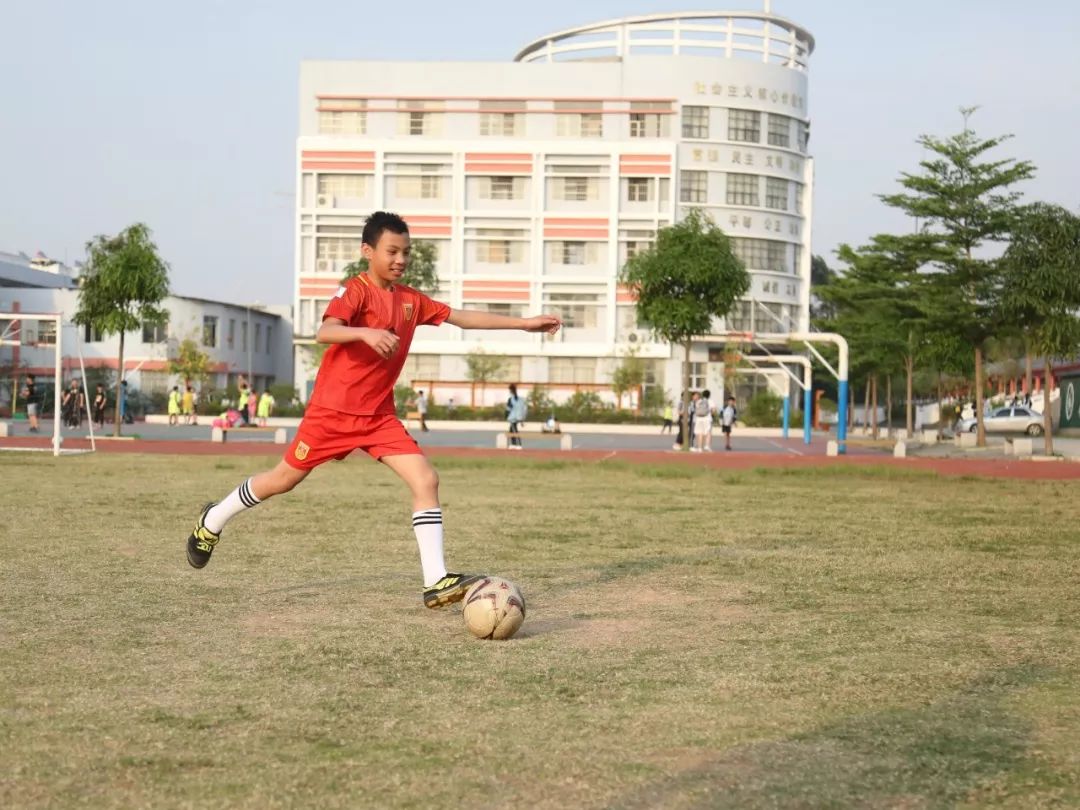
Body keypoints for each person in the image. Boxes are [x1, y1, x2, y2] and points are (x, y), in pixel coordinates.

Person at [184, 211, 561, 609]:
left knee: (426, 478)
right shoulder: (356, 291)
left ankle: (436, 580)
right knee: (282, 480)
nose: (400, 259)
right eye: (392, 251)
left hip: (379, 417)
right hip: (331, 414)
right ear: (368, 251)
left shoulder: (412, 301)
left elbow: (461, 317)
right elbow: (325, 330)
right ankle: (213, 520)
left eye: (405, 252)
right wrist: (364, 331)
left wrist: (523, 324)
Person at [506, 383, 527, 450]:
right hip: (519, 417)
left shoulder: (511, 399)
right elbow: (524, 409)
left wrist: (506, 415)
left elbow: (508, 409)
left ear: (510, 391)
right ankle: (513, 444)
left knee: (514, 430)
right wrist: (522, 419)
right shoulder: (521, 399)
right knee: (511, 430)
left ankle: (518, 444)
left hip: (513, 417)